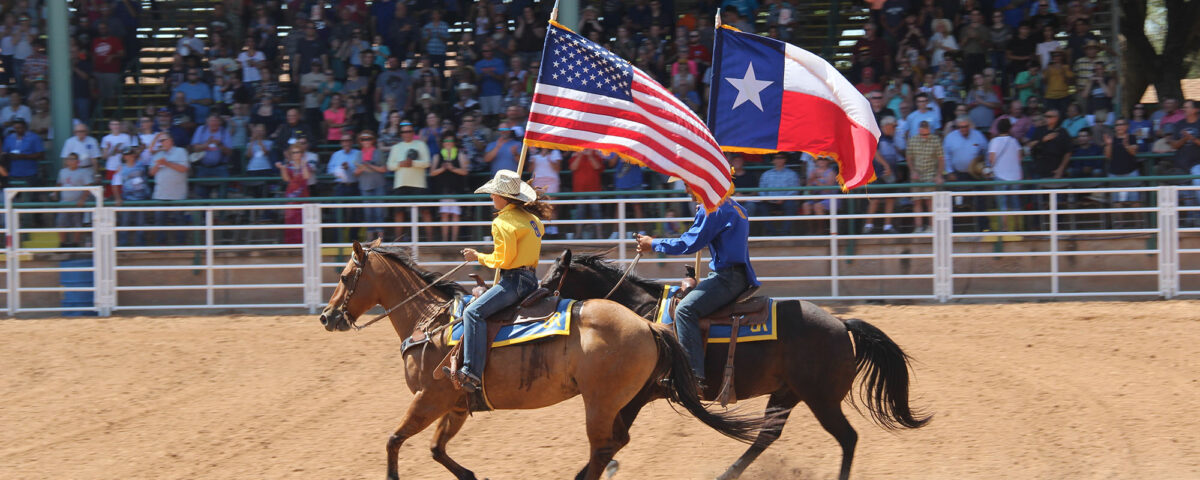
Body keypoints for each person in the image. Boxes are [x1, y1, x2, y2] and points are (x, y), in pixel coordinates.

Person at [633, 191, 758, 384]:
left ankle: (692, 375)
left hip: (727, 278)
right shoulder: (734, 207)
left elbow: (688, 243)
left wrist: (653, 243)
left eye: (688, 183)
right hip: (733, 275)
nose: (687, 189)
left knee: (684, 310)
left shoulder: (714, 210)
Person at [444, 169, 550, 392]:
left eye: (493, 193)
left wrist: (477, 257)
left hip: (513, 281)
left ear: (503, 196)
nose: (491, 197)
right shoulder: (533, 220)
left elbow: (504, 259)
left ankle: (471, 372)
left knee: (472, 312)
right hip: (531, 279)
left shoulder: (503, 222)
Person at [429, 135, 470, 242]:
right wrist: (443, 168)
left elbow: (465, 171)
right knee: (444, 214)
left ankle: (454, 241)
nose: (448, 142)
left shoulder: (460, 154)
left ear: (454, 142)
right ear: (442, 143)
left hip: (457, 189)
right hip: (443, 190)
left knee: (456, 214)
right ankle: (445, 241)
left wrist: (453, 168)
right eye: (445, 140)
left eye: (450, 140)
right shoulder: (437, 156)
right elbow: (432, 173)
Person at [907, 120, 944, 233]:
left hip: (930, 173)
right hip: (916, 173)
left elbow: (941, 159)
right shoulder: (913, 140)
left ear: (930, 131)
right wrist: (913, 171)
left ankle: (931, 227)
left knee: (929, 201)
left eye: (927, 134)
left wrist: (938, 175)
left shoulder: (935, 140)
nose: (925, 137)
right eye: (923, 134)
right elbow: (909, 158)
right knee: (917, 201)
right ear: (919, 131)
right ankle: (918, 227)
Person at [111, 147, 150, 246]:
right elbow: (115, 184)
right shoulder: (121, 168)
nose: (128, 156)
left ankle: (140, 245)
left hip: (142, 198)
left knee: (141, 223)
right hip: (127, 199)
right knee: (125, 222)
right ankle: (123, 244)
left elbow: (147, 151)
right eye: (126, 155)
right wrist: (118, 198)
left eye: (130, 154)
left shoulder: (141, 164)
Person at [56, 153, 94, 247]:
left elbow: (88, 187)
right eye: (69, 159)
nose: (71, 161)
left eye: (73, 159)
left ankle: (75, 243)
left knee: (77, 223)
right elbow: (59, 184)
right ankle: (63, 243)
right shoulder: (62, 172)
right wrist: (55, 193)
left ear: (78, 162)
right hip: (64, 202)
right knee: (61, 222)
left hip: (77, 202)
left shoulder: (83, 172)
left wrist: (82, 199)